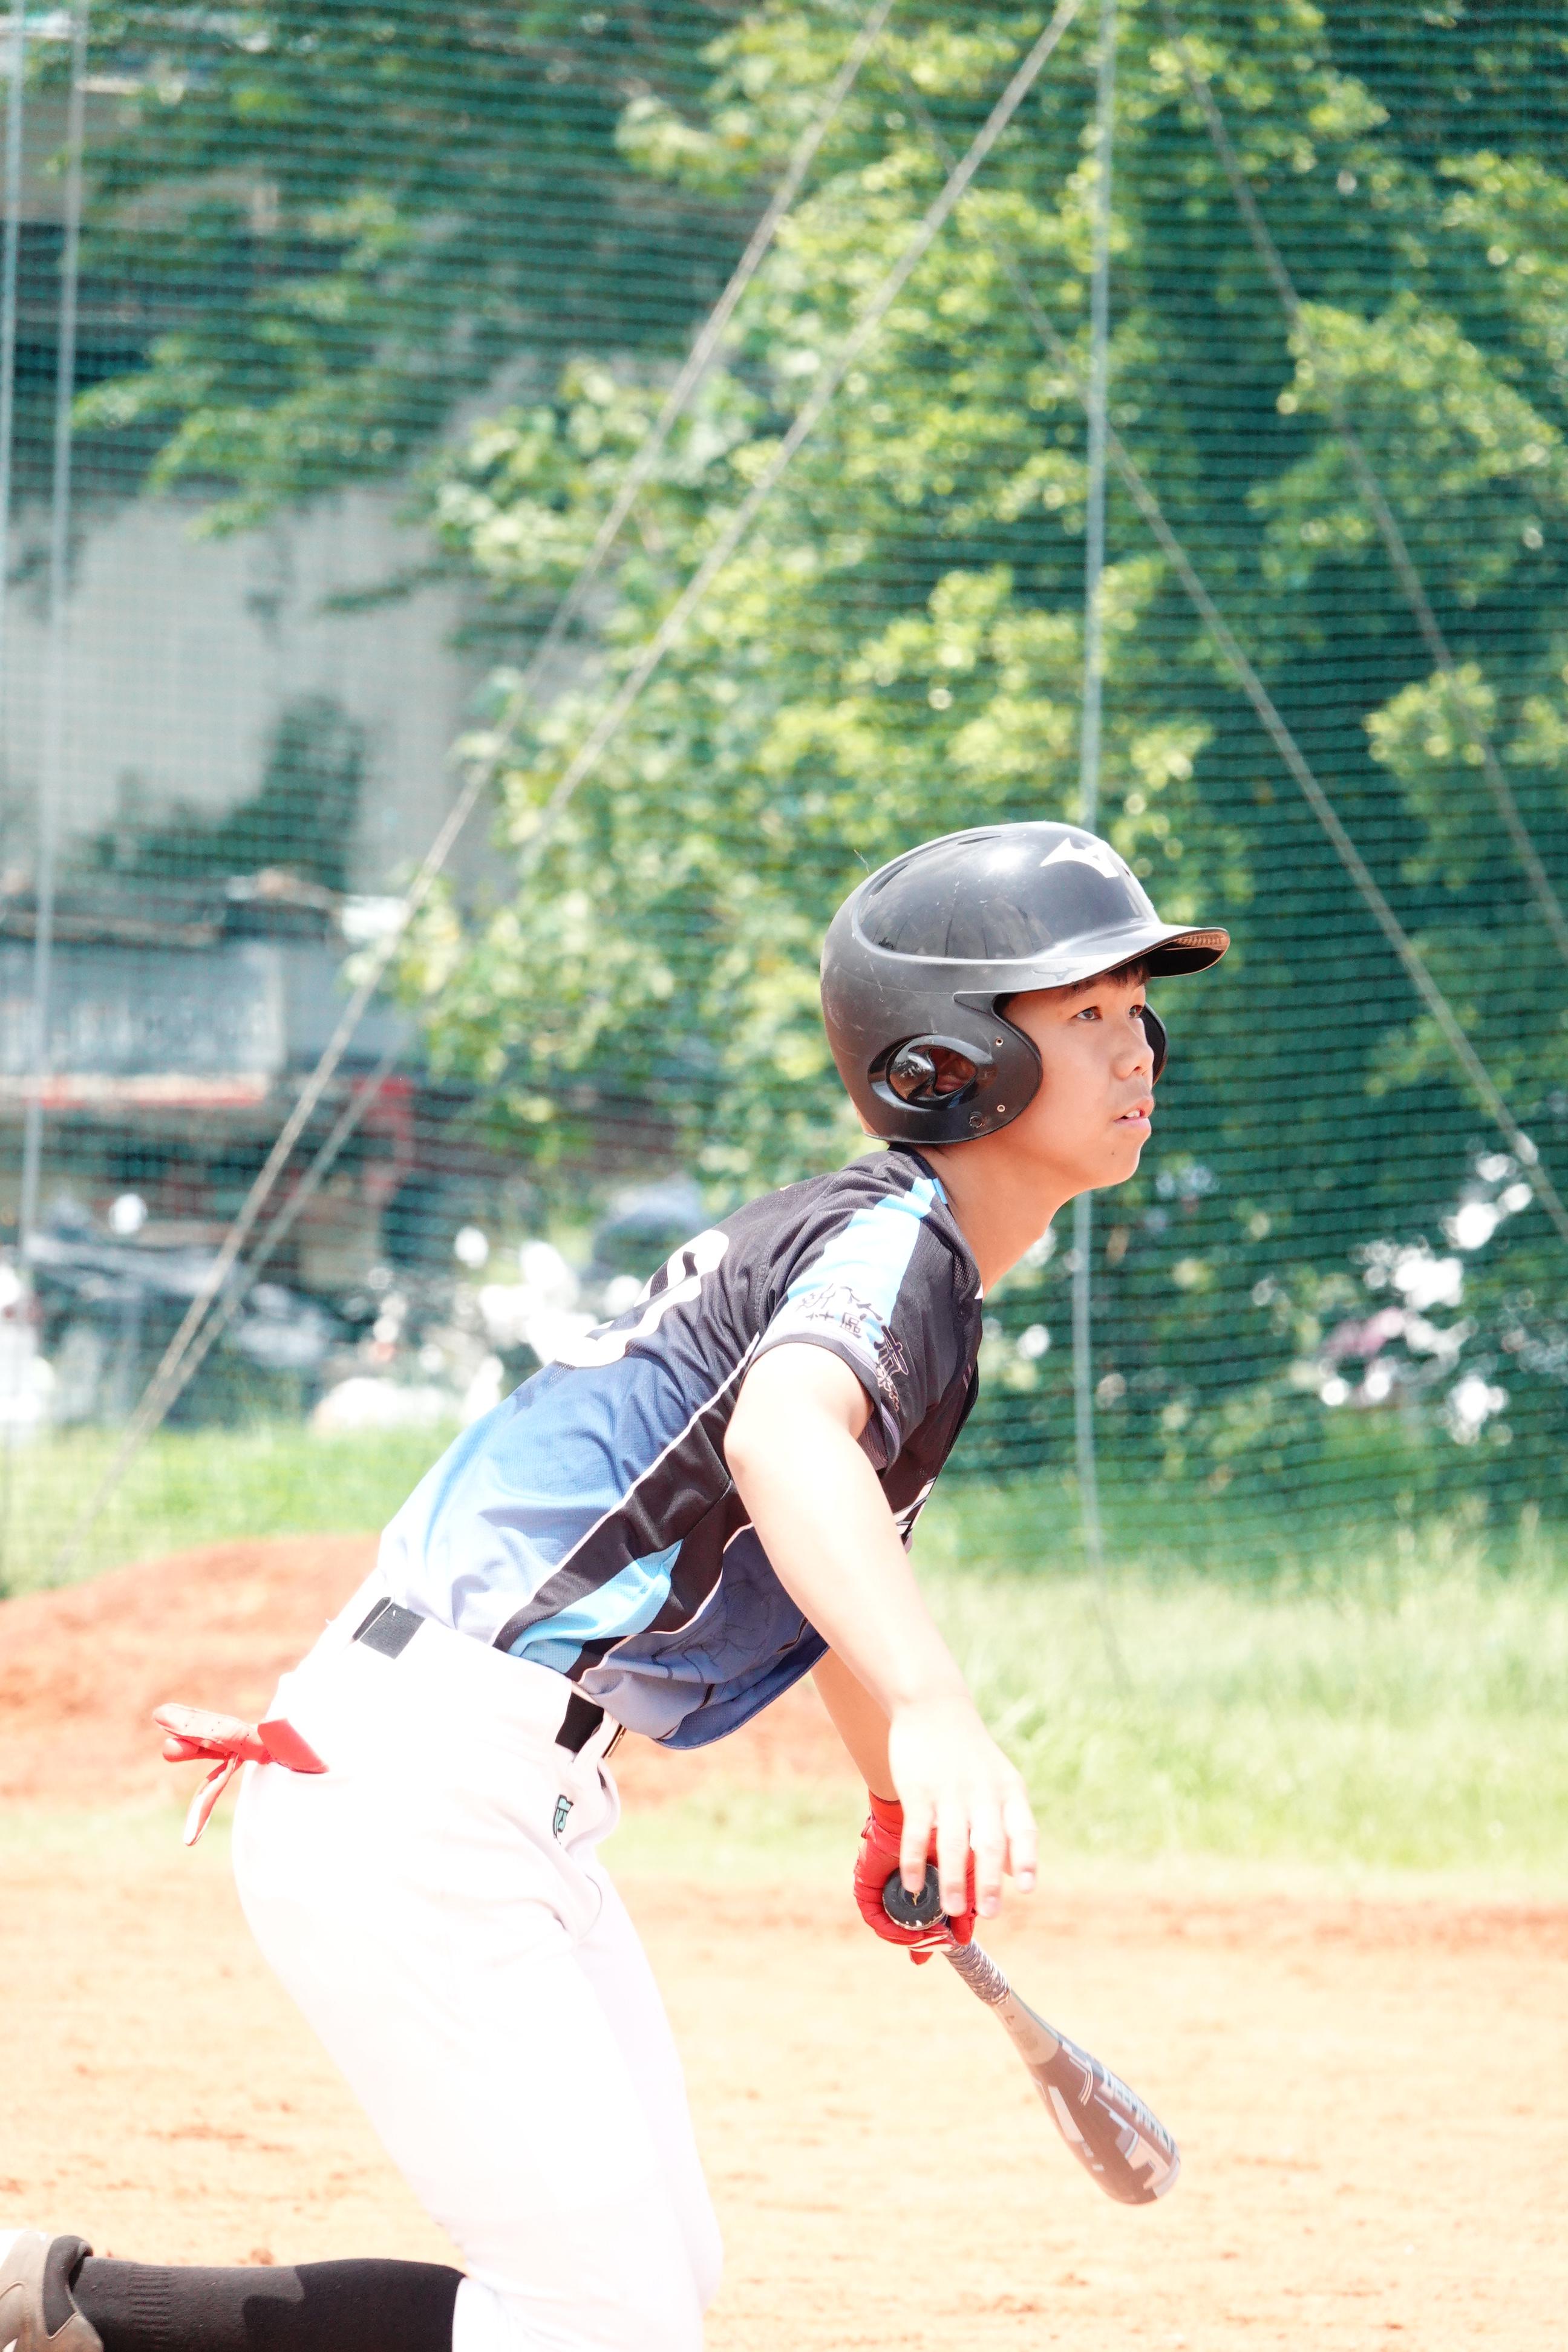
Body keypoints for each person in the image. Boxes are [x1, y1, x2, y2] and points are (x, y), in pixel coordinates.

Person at [2, 822, 1226, 2352]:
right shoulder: (894, 1247)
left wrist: (889, 1803)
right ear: (947, 1059)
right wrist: (935, 1707)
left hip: (492, 1788)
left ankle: (55, 2310)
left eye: (1137, 1008)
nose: (1136, 1047)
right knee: (607, 2320)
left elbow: (830, 1551)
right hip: (419, 1790)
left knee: (656, 2285)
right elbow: (786, 1443)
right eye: (1086, 1010)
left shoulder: (913, 1271)